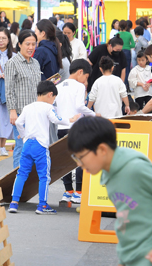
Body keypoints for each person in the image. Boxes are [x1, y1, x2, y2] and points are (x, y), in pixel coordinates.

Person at [68, 116, 152, 266]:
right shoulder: (108, 174)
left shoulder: (135, 168)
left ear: (102, 149)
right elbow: (127, 218)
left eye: (81, 157)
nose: (79, 164)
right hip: (135, 255)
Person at [9, 81, 75, 215]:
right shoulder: (48, 108)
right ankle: (42, 205)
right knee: (44, 176)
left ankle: (14, 203)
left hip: (28, 145)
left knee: (22, 173)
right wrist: (71, 120)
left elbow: (18, 123)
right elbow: (56, 120)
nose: (53, 101)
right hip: (40, 146)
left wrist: (24, 136)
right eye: (54, 98)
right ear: (50, 94)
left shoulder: (28, 107)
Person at [56, 59, 96, 204]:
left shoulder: (58, 86)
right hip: (75, 127)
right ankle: (78, 192)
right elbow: (79, 106)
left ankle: (68, 191)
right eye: (86, 77)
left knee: (64, 160)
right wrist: (93, 114)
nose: (85, 81)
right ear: (80, 72)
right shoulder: (79, 87)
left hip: (61, 127)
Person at [4, 30, 41, 169]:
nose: (31, 47)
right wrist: (12, 111)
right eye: (27, 44)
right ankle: (18, 182)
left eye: (33, 44)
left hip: (36, 113)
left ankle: (29, 181)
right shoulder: (12, 63)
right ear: (19, 44)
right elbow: (9, 89)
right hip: (20, 113)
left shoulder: (35, 63)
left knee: (34, 148)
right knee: (21, 147)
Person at [0, 28, 14, 157]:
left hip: (9, 91)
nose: (0, 41)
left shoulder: (14, 56)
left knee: (6, 118)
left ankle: (3, 146)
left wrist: (8, 76)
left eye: (3, 38)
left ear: (8, 40)